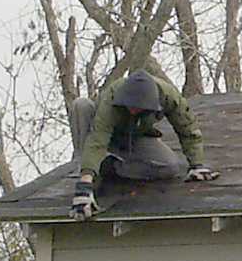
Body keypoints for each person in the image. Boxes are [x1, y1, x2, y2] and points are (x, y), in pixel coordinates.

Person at [69, 70, 219, 221]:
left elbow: (187, 129)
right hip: (103, 135)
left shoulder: (168, 96)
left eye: (138, 108)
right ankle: (89, 173)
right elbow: (97, 140)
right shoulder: (113, 97)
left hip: (135, 137)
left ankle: (111, 166)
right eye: (129, 106)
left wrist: (197, 164)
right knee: (81, 105)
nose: (132, 110)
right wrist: (85, 185)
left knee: (170, 167)